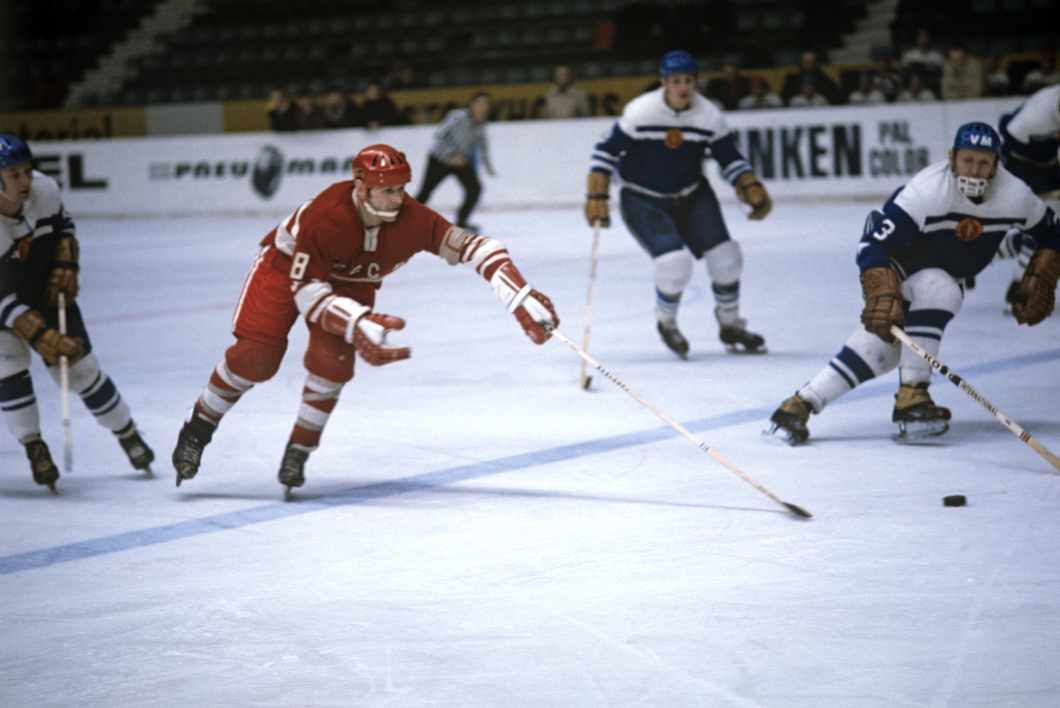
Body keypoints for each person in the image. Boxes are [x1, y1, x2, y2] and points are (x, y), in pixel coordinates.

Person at [171, 144, 559, 490]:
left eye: (402, 188)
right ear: (361, 188)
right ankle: (198, 429)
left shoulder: (413, 217)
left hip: (349, 283)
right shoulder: (327, 216)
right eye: (388, 190)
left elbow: (475, 246)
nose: (398, 199)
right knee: (256, 357)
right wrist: (355, 321)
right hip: (288, 267)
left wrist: (517, 293)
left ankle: (299, 450)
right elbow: (307, 293)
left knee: (332, 366)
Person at [768, 122, 1060, 444]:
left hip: (944, 268)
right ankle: (913, 395)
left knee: (884, 352)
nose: (974, 170)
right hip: (899, 267)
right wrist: (881, 292)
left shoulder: (1014, 195)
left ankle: (798, 406)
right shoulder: (928, 191)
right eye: (967, 160)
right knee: (941, 291)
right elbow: (873, 246)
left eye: (983, 162)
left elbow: (1053, 230)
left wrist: (1043, 273)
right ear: (952, 157)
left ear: (996, 165)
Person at [585, 50, 773, 358]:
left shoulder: (709, 116)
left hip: (693, 195)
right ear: (663, 82)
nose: (683, 88)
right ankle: (667, 323)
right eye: (675, 81)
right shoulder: (641, 112)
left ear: (696, 82)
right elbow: (606, 151)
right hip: (643, 198)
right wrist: (597, 194)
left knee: (727, 259)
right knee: (674, 264)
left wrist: (747, 182)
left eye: (688, 81)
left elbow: (729, 157)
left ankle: (731, 325)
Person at [0, 135, 154, 489]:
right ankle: (33, 445)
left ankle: (127, 433)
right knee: (9, 367)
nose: (26, 181)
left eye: (27, 170)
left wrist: (66, 258)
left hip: (43, 294)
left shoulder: (45, 189)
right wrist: (36, 333)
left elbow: (63, 226)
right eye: (14, 175)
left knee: (81, 369)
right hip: (3, 309)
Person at [998, 84, 1060, 304]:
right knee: (1049, 223)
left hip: (1041, 155)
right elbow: (1008, 138)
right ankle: (1020, 283)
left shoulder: (1052, 101)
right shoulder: (1040, 113)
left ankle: (992, 253)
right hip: (1022, 160)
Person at [414, 93, 495, 231]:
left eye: (486, 105)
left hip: (460, 163)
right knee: (425, 193)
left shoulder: (480, 124)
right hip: (440, 160)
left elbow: (483, 144)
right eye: (480, 103)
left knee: (475, 188)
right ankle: (401, 220)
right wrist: (453, 154)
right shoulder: (457, 116)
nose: (483, 107)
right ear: (472, 105)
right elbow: (439, 135)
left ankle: (461, 221)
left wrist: (487, 164)